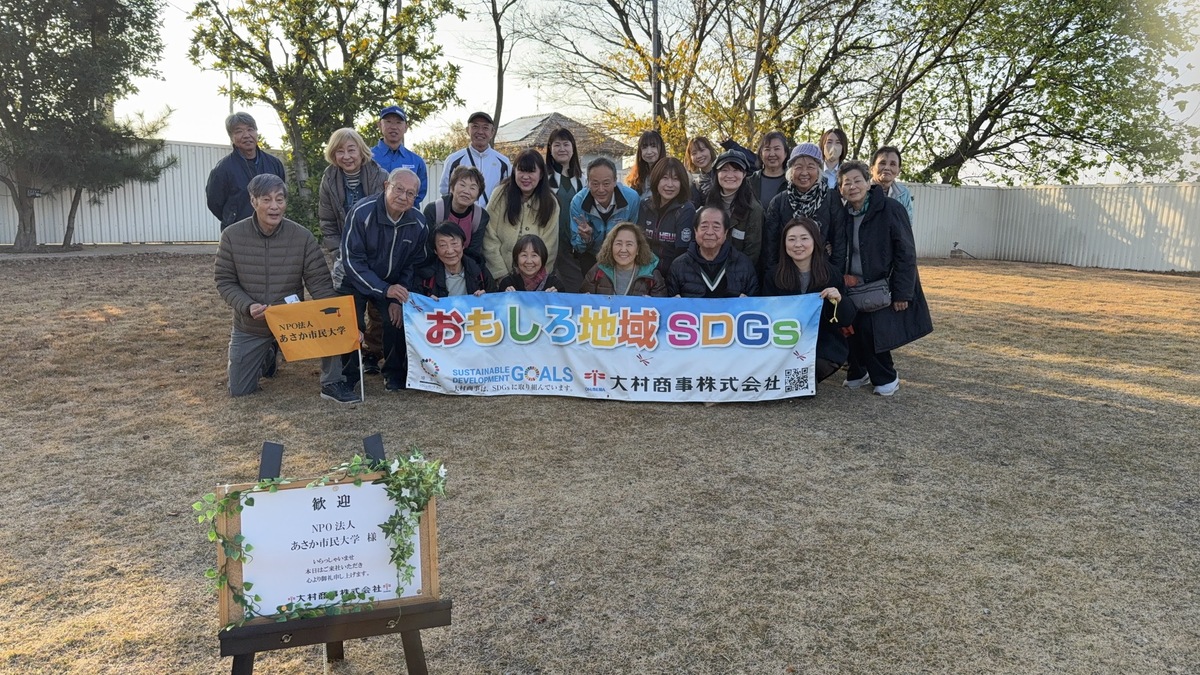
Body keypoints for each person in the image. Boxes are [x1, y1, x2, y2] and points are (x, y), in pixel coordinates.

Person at [215, 173, 359, 403]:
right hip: (251, 324)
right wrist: (247, 306)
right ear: (253, 201)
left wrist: (343, 324)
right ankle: (268, 353)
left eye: (280, 199)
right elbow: (224, 281)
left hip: (292, 322)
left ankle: (332, 382)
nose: (274, 206)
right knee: (240, 390)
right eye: (266, 200)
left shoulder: (302, 236)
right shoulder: (231, 236)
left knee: (329, 319)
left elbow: (321, 285)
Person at [836, 161, 933, 396]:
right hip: (851, 286)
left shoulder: (890, 209)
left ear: (868, 182)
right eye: (846, 183)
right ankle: (858, 372)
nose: (852, 187)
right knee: (849, 328)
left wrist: (903, 292)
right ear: (840, 189)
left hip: (881, 286)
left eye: (857, 180)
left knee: (872, 332)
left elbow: (906, 253)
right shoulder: (843, 214)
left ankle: (886, 376)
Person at [339, 168, 428, 392]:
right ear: (386, 186)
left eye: (410, 193)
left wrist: (397, 298)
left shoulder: (418, 223)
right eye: (399, 189)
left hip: (392, 282)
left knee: (396, 320)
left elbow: (413, 264)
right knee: (351, 322)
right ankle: (348, 376)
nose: (404, 196)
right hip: (354, 279)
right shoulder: (361, 213)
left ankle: (394, 373)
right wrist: (383, 289)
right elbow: (353, 261)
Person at [318, 128, 390, 374]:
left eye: (351, 149)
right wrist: (340, 253)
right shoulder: (329, 179)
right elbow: (327, 222)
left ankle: (373, 353)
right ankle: (351, 359)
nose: (346, 156)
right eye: (340, 151)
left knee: (380, 311)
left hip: (378, 254)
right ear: (333, 154)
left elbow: (388, 217)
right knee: (349, 310)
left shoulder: (380, 175)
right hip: (346, 256)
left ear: (361, 151)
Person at [761, 217, 856, 382]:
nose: (798, 244)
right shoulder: (773, 275)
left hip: (821, 340)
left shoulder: (831, 274)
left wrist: (839, 300)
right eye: (791, 239)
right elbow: (765, 313)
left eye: (804, 238)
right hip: (782, 340)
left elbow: (846, 318)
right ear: (784, 244)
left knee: (818, 365)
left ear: (815, 241)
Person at [763, 142, 846, 275]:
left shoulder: (831, 198)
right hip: (787, 272)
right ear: (791, 171)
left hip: (823, 272)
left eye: (811, 167)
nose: (804, 173)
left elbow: (839, 242)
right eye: (799, 167)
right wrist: (774, 276)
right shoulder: (779, 202)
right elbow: (770, 247)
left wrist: (835, 275)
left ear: (819, 171)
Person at [483, 149, 560, 280]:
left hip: (535, 280)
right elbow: (489, 237)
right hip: (499, 278)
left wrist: (535, 279)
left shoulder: (550, 203)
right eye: (521, 170)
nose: (525, 177)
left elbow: (550, 246)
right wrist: (501, 276)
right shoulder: (499, 194)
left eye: (531, 171)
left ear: (541, 174)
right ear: (514, 171)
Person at [206, 112, 287, 232]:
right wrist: (232, 218)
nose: (246, 135)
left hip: (272, 230)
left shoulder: (274, 164)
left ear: (256, 133)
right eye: (239, 131)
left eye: (250, 129)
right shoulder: (222, 169)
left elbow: (281, 195)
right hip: (238, 232)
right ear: (231, 137)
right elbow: (214, 203)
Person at [569, 157, 641, 279]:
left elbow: (635, 236)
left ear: (615, 181)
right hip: (591, 255)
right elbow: (577, 246)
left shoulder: (632, 199)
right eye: (595, 184)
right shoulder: (578, 202)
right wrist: (586, 238)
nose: (601, 189)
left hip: (621, 255)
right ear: (588, 183)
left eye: (606, 183)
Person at [667, 205, 758, 298]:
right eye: (704, 226)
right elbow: (669, 306)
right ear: (695, 231)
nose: (710, 232)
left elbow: (756, 304)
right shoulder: (679, 265)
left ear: (726, 232)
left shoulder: (743, 264)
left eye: (716, 227)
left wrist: (747, 303)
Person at [438, 111, 512, 207]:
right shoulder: (453, 160)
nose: (480, 132)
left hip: (491, 219)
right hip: (461, 218)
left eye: (485, 128)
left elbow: (507, 194)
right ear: (467, 130)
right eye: (475, 126)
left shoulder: (503, 163)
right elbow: (445, 191)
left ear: (492, 132)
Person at [422, 165, 489, 270]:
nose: (466, 191)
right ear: (452, 188)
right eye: (462, 185)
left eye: (473, 188)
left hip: (464, 268)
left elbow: (474, 251)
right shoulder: (433, 210)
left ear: (478, 195)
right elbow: (427, 248)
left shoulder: (481, 216)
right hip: (434, 267)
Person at [637, 156, 696, 274]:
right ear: (656, 180)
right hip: (644, 272)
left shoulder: (686, 209)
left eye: (675, 179)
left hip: (673, 274)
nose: (670, 185)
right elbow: (639, 242)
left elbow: (682, 251)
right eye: (664, 178)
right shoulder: (644, 205)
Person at [705, 151, 763, 267]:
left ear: (744, 174)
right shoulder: (710, 201)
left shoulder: (754, 209)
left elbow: (752, 253)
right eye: (724, 170)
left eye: (736, 170)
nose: (730, 175)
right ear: (717, 173)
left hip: (739, 273)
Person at [545, 127, 586, 292]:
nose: (562, 149)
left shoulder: (583, 180)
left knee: (576, 290)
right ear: (550, 149)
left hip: (575, 249)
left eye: (566, 144)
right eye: (557, 145)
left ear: (573, 147)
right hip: (549, 244)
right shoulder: (543, 179)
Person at [581, 221, 668, 297]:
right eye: (618, 244)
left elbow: (662, 310)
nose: (623, 250)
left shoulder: (652, 275)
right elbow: (582, 305)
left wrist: (652, 303)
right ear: (610, 247)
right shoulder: (598, 271)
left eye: (629, 244)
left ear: (638, 249)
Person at [371, 105, 428, 205]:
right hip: (372, 215)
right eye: (388, 122)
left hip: (406, 216)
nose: (393, 127)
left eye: (398, 122)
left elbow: (420, 193)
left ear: (406, 127)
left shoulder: (416, 161)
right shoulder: (367, 157)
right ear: (379, 125)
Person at [417, 222, 491, 298]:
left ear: (463, 245)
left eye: (454, 243)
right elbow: (415, 304)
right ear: (435, 250)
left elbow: (496, 299)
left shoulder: (479, 270)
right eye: (443, 245)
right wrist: (427, 302)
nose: (450, 251)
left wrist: (487, 297)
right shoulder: (426, 277)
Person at [496, 234, 560, 292]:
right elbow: (499, 304)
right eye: (524, 255)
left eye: (534, 255)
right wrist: (505, 297)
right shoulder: (507, 283)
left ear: (543, 257)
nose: (529, 261)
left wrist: (555, 298)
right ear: (516, 258)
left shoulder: (554, 284)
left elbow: (564, 303)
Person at [871, 145, 914, 224]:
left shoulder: (904, 194)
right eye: (882, 163)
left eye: (893, 164)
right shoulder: (862, 190)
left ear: (898, 171)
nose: (887, 168)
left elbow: (907, 224)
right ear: (872, 169)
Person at [747, 131, 790, 208]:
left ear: (785, 153)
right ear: (761, 154)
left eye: (777, 149)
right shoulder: (749, 182)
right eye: (767, 149)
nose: (772, 154)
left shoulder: (792, 182)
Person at [626, 130, 667, 196]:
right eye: (644, 147)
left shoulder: (668, 175)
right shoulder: (637, 178)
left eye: (653, 146)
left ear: (661, 148)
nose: (649, 152)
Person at [685, 135, 718, 205]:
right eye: (694, 153)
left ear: (710, 150)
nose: (699, 156)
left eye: (702, 150)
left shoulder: (725, 173)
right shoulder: (696, 185)